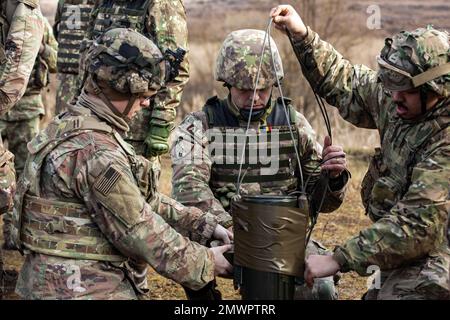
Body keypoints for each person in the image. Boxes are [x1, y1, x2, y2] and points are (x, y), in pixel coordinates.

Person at [5, 28, 232, 300]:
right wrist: (206, 262)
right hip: (83, 288)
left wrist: (205, 226)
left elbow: (141, 200)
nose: (147, 102)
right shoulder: (97, 152)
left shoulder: (67, 126)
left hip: (57, 283)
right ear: (119, 88)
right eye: (143, 94)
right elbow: (140, 230)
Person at [271, 4, 450, 300]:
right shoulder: (399, 99)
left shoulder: (444, 140)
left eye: (403, 89)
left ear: (434, 89)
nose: (394, 96)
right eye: (391, 86)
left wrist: (338, 258)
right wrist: (301, 35)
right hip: (402, 250)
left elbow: (418, 224)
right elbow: (346, 82)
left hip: (436, 251)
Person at [171, 29, 349, 300]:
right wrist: (232, 228)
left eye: (263, 89)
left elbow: (320, 201)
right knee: (189, 250)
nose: (254, 98)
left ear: (274, 84)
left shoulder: (293, 124)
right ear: (227, 84)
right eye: (244, 90)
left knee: (321, 289)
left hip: (283, 238)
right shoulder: (199, 125)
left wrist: (333, 179)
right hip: (226, 237)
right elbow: (189, 191)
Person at [81, 0, 189, 158]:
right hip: (95, 113)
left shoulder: (162, 4)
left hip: (134, 127)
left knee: (131, 179)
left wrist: (161, 121)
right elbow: (89, 53)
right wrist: (79, 98)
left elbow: (174, 69)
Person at [0, 0, 44, 298]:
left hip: (25, 107)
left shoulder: (22, 11)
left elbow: (17, 77)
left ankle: (18, 238)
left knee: (22, 177)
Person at [0, 16, 57, 178]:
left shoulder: (40, 24)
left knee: (26, 171)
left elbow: (56, 62)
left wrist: (41, 48)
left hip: (28, 109)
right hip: (1, 108)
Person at [53, 0, 96, 114]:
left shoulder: (64, 2)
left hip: (67, 73)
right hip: (88, 76)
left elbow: (57, 30)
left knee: (62, 118)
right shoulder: (102, 3)